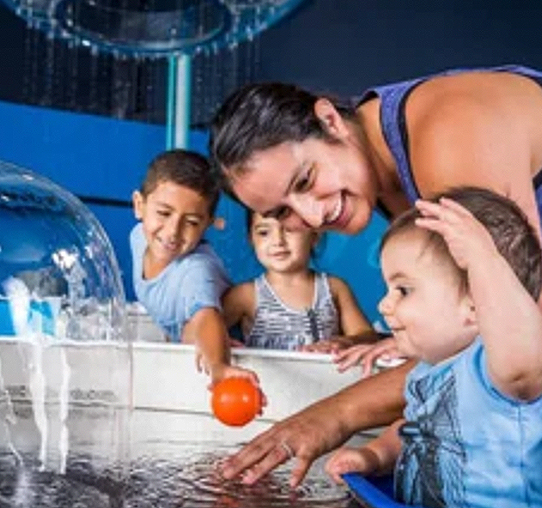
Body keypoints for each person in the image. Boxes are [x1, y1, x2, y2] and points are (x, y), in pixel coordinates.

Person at [208, 65, 542, 488]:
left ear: (330, 120)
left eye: (306, 180)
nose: (312, 216)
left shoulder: (446, 137)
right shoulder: (380, 177)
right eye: (282, 213)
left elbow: (517, 346)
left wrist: (334, 415)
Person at [325, 187, 542, 507]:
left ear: (475, 303)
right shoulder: (427, 372)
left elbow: (526, 362)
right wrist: (374, 455)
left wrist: (484, 260)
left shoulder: (498, 370)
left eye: (404, 290)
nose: (384, 305)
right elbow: (414, 432)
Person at [130, 149, 261, 387]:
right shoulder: (138, 238)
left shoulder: (195, 272)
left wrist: (219, 365)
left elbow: (206, 318)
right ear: (139, 205)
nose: (172, 231)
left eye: (191, 222)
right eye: (163, 213)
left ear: (208, 225)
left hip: (225, 353)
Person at [222, 207, 376, 350]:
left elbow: (368, 336)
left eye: (289, 230)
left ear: (315, 236)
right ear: (251, 239)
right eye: (264, 233)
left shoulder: (334, 288)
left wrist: (345, 342)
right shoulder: (245, 295)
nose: (278, 241)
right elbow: (203, 332)